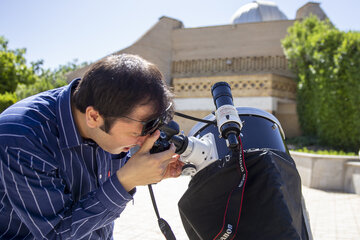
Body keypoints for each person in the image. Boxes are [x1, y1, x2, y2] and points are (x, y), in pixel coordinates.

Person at [0, 54, 183, 239]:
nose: (145, 141)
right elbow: (55, 234)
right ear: (94, 117)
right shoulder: (23, 137)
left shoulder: (104, 111)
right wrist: (125, 181)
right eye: (138, 132)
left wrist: (144, 170)